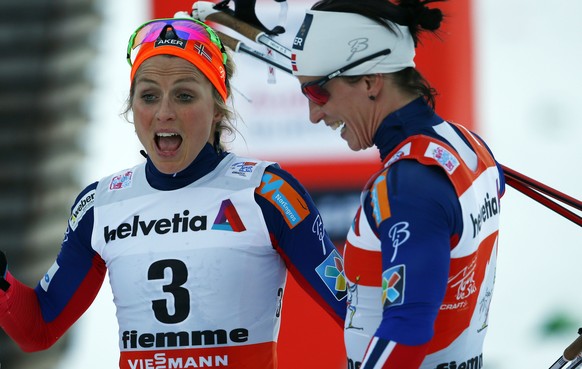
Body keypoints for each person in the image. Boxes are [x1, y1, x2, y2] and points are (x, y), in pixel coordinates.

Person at [0, 17, 347, 369]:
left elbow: (355, 312)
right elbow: (38, 327)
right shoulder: (100, 204)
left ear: (217, 108)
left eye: (184, 96)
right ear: (131, 107)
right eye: (148, 96)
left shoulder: (266, 192)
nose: (164, 113)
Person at [290, 0, 505, 368]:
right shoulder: (467, 144)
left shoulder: (409, 184)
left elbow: (408, 330)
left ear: (372, 81)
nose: (314, 114)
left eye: (317, 93)